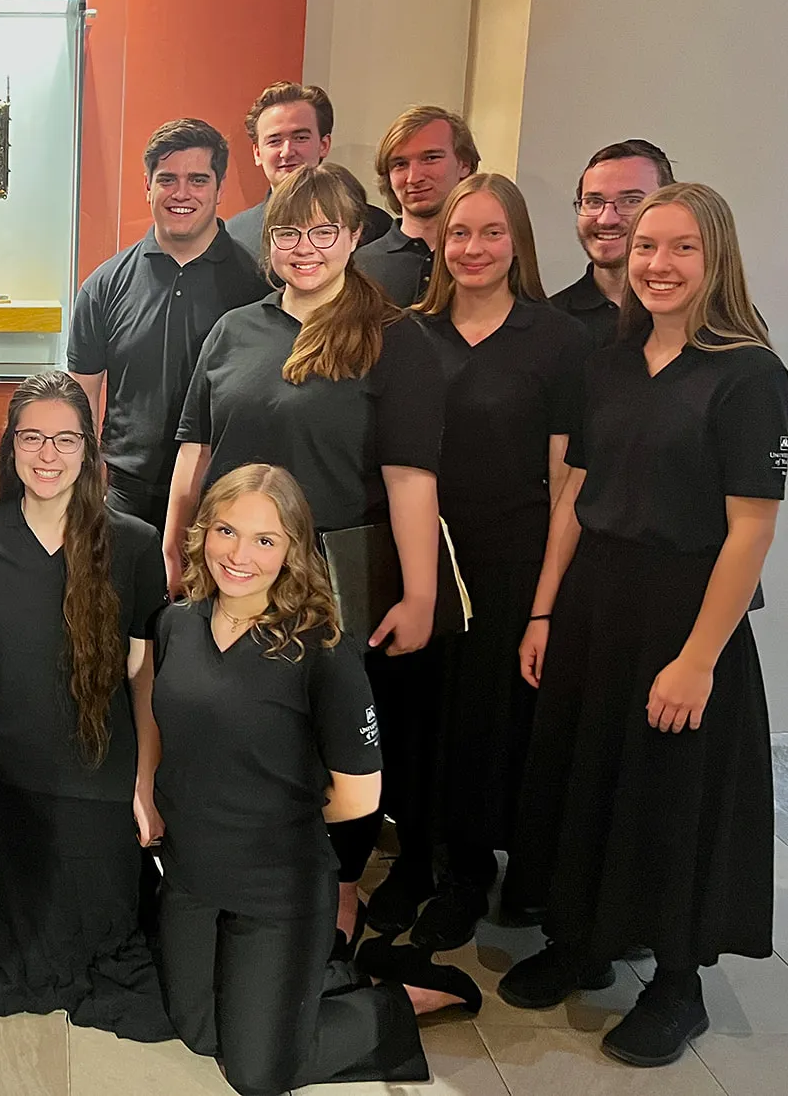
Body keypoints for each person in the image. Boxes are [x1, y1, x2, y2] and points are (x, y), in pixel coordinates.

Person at [502, 184, 788, 1068]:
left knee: (669, 799)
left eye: (681, 251)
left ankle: (677, 986)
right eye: (646, 249)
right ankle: (583, 941)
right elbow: (574, 496)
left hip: (685, 613)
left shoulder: (749, 375)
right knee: (587, 774)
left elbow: (753, 528)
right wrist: (546, 607)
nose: (658, 266)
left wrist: (699, 659)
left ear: (717, 262)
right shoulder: (611, 364)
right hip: (595, 604)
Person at [167, 165, 447, 944]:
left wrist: (420, 593)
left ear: (354, 237)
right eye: (288, 231)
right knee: (246, 729)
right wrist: (174, 549)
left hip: (331, 578)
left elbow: (410, 480)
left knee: (326, 741)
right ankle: (242, 880)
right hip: (228, 572)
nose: (305, 247)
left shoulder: (394, 338)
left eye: (325, 230)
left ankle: (338, 890)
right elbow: (194, 449)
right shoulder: (234, 330)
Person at [153, 464, 478, 1096]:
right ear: (203, 533)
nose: (239, 554)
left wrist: (270, 821)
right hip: (191, 874)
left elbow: (360, 795)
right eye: (226, 530)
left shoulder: (323, 651)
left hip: (280, 887)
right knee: (198, 1032)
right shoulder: (177, 624)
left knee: (255, 1072)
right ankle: (308, 988)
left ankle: (397, 1001)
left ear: (293, 550)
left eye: (265, 540)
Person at [0, 371, 173, 1041]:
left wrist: (146, 782)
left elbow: (143, 676)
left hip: (98, 778)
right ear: (11, 447)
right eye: (32, 437)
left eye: (65, 439)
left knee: (104, 962)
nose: (48, 455)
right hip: (7, 783)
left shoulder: (132, 544)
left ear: (88, 448)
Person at [406, 174, 590, 951]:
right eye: (458, 234)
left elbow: (566, 485)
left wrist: (545, 604)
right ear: (439, 245)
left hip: (512, 563)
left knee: (486, 726)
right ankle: (422, 862)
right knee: (418, 716)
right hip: (420, 559)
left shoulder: (556, 340)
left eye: (490, 232)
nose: (473, 249)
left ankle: (473, 875)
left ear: (518, 240)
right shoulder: (409, 335)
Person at [67, 118, 269, 531]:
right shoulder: (103, 286)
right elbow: (81, 398)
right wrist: (88, 485)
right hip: (125, 495)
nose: (181, 193)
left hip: (226, 495)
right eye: (167, 179)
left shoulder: (258, 285)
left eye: (197, 180)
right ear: (147, 185)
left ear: (219, 188)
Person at [227, 82, 392, 264]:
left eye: (300, 138)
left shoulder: (375, 227)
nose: (287, 151)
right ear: (257, 153)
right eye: (275, 140)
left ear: (324, 145)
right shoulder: (235, 236)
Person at [550, 139, 675, 345]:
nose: (606, 219)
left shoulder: (710, 320)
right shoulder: (549, 326)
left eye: (631, 200)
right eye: (593, 202)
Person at [356, 106, 479, 307]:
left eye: (430, 158)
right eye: (400, 164)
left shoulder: (487, 259)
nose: (414, 178)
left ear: (464, 164)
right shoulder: (361, 266)